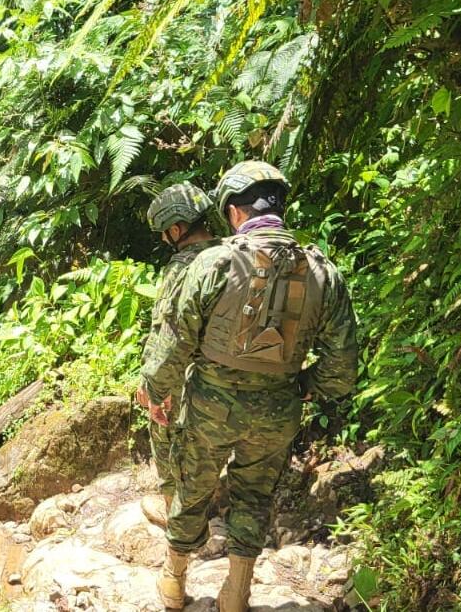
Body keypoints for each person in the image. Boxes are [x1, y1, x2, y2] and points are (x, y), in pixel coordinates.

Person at [139, 161, 358, 612]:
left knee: (192, 489)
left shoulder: (213, 263)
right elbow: (342, 369)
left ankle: (175, 582)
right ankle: (237, 593)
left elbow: (175, 342)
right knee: (254, 497)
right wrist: (302, 386)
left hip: (209, 407)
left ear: (234, 213)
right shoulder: (323, 272)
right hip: (278, 407)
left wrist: (154, 392)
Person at [136, 182, 220, 528]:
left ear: (176, 229)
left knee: (164, 431)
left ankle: (177, 512)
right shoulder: (233, 256)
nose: (163, 240)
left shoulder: (183, 267)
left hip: (189, 376)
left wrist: (153, 387)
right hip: (233, 377)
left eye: (164, 233)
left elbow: (168, 333)